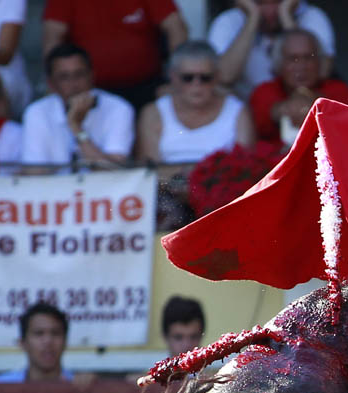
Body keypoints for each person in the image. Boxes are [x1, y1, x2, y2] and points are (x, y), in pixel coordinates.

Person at [136, 40, 254, 229]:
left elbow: (244, 168)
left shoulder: (237, 111)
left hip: (221, 199)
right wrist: (195, 181)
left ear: (216, 78)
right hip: (169, 195)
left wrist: (198, 185)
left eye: (205, 78)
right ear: (173, 77)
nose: (196, 84)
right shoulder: (153, 112)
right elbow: (150, 169)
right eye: (188, 78)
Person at [42, 0, 188, 113]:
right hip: (89, 88)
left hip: (145, 86)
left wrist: (175, 80)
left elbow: (176, 28)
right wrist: (54, 82)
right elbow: (53, 37)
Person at [21, 43, 134, 170]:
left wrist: (76, 127)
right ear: (51, 84)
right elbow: (35, 174)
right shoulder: (36, 112)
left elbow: (115, 171)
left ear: (92, 76)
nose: (74, 84)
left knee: (162, 186)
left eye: (79, 74)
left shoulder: (119, 108)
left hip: (106, 188)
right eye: (64, 77)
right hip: (54, 189)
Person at [208, 0, 336, 97]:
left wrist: (286, 15)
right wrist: (252, 18)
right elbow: (223, 77)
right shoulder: (229, 20)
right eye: (260, 2)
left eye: (277, 1)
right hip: (248, 110)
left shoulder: (312, 16)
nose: (270, 11)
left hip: (298, 105)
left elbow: (322, 72)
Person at [248, 27, 348, 145]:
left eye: (308, 58)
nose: (302, 66)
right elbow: (261, 120)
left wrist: (310, 102)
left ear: (320, 62)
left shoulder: (339, 90)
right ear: (279, 63)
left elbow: (346, 127)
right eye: (293, 59)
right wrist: (281, 110)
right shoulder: (264, 91)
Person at [0, 301, 90, 383]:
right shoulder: (1, 385)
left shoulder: (78, 385)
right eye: (39, 334)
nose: (48, 341)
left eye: (55, 333)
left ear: (65, 342)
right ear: (22, 343)